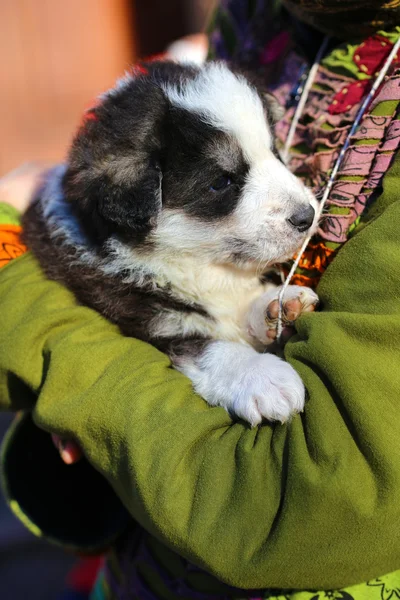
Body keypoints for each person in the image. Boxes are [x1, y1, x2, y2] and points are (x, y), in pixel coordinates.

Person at [1, 1, 400, 599]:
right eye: (223, 182)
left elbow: (291, 510)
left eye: (272, 152)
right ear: (135, 206)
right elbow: (158, 323)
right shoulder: (258, 13)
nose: (298, 202)